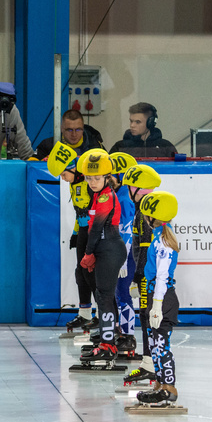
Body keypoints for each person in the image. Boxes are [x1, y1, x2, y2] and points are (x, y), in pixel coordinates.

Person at [76, 149, 127, 364]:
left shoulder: (106, 196)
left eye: (97, 178)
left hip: (109, 249)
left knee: (104, 296)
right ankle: (109, 337)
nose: (93, 182)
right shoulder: (97, 194)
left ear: (106, 177)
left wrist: (88, 253)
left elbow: (96, 230)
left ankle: (108, 345)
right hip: (105, 249)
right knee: (104, 295)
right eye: (89, 178)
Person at [135, 191, 181, 407]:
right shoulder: (159, 236)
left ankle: (169, 388)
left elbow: (162, 276)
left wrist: (157, 306)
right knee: (154, 344)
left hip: (162, 298)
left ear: (152, 217)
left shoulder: (163, 240)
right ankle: (160, 384)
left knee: (161, 344)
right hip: (157, 295)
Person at [47, 142, 96, 334]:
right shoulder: (74, 183)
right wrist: (76, 233)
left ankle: (102, 315)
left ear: (74, 168)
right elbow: (79, 212)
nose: (63, 179)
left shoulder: (90, 183)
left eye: (64, 174)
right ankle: (85, 313)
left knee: (95, 275)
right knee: (81, 273)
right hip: (84, 231)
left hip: (96, 232)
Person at [121, 163, 162, 386]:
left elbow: (146, 248)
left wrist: (138, 275)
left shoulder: (146, 212)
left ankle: (151, 364)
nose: (127, 191)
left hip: (148, 273)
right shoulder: (142, 209)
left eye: (130, 187)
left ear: (138, 189)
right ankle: (149, 362)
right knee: (145, 316)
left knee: (148, 317)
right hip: (146, 271)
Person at [109, 152, 138, 357]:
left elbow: (127, 232)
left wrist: (122, 260)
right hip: (120, 253)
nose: (106, 178)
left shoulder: (124, 199)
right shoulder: (116, 195)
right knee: (118, 294)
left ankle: (128, 337)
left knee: (123, 292)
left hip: (126, 255)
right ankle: (123, 332)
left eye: (111, 175)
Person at [109, 102, 176, 158]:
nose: (132, 125)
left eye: (137, 122)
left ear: (150, 123)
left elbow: (177, 170)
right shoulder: (120, 146)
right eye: (131, 121)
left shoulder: (165, 146)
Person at [34, 109, 105, 160]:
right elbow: (31, 165)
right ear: (62, 129)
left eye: (78, 130)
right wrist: (45, 161)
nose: (74, 134)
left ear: (83, 128)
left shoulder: (95, 146)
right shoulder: (48, 145)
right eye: (69, 130)